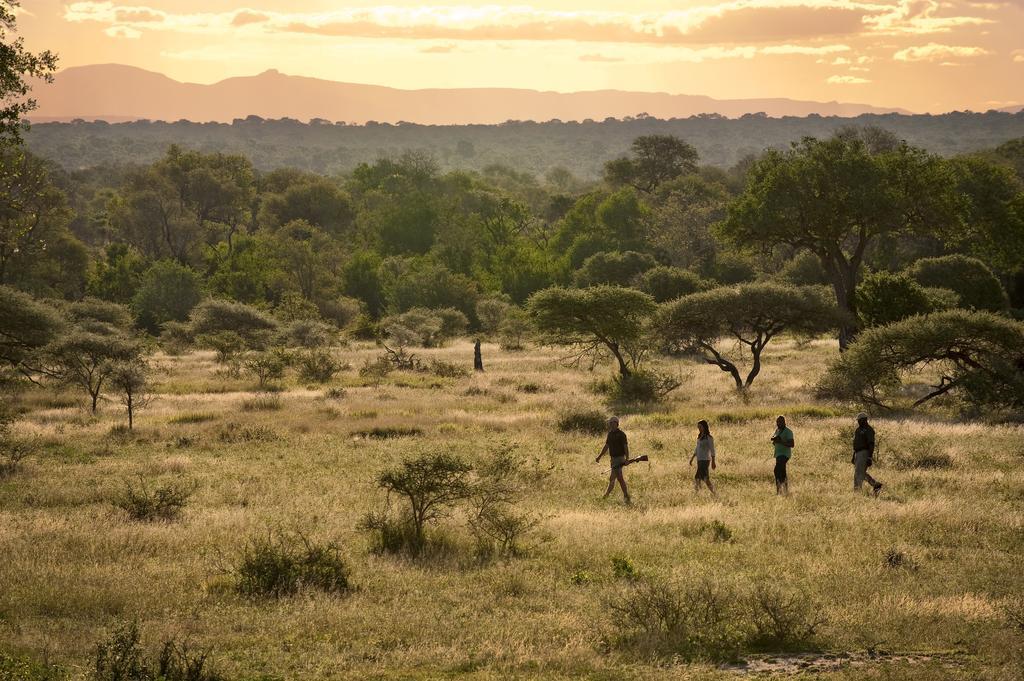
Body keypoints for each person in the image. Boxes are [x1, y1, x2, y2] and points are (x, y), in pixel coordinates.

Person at [596, 415, 631, 504]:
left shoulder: (621, 434)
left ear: (617, 424)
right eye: (610, 423)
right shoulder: (610, 434)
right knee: (613, 478)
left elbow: (625, 447)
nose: (611, 424)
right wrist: (599, 456)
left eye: (613, 423)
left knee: (619, 478)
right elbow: (606, 446)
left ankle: (624, 496)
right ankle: (608, 496)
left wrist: (627, 459)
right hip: (613, 459)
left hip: (619, 458)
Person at [852, 412, 883, 496]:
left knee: (858, 474)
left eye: (860, 420)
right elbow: (856, 443)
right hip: (857, 453)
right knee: (860, 472)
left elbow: (871, 444)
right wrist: (853, 456)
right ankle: (875, 484)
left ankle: (857, 493)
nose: (858, 422)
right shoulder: (858, 430)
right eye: (858, 420)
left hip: (864, 452)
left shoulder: (869, 430)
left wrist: (869, 457)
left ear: (864, 420)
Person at [688, 419, 716, 495]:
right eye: (698, 427)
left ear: (704, 427)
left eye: (700, 427)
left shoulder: (709, 438)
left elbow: (712, 450)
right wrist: (692, 458)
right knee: (703, 478)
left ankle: (697, 493)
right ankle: (709, 493)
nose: (699, 428)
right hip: (699, 459)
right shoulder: (700, 437)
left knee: (700, 477)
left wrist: (713, 461)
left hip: (705, 460)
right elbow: (697, 448)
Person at [770, 415, 794, 495]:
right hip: (778, 453)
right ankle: (785, 491)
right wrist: (775, 441)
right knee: (782, 472)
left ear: (784, 422)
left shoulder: (788, 431)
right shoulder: (777, 430)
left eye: (779, 422)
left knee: (776, 470)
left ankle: (779, 491)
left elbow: (792, 444)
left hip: (785, 454)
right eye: (777, 422)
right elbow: (775, 442)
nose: (778, 423)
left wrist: (781, 441)